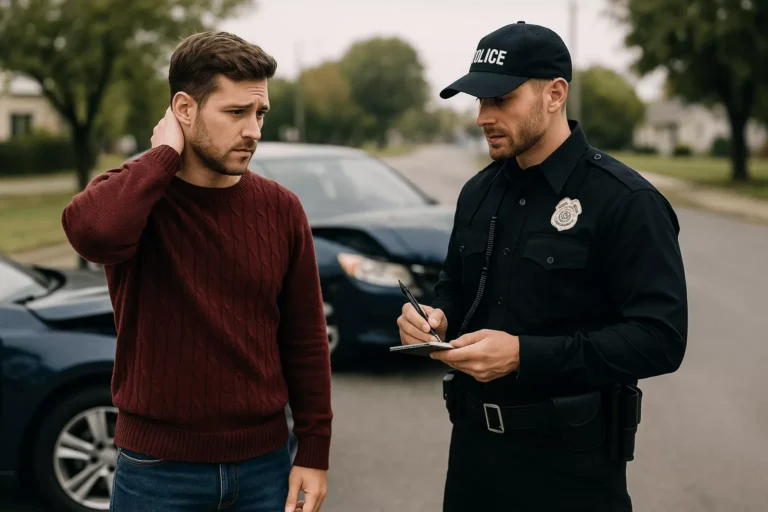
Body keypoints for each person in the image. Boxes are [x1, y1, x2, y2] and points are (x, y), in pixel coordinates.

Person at [396, 21, 687, 512]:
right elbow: (455, 289)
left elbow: (660, 339)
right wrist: (434, 318)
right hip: (473, 463)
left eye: (500, 100)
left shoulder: (625, 201)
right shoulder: (479, 192)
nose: (482, 117)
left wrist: (523, 355)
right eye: (479, 102)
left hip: (571, 472)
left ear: (554, 94)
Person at [61, 31, 331, 512]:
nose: (253, 130)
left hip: (265, 467)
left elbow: (305, 339)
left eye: (259, 113)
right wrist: (163, 157)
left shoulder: (282, 209)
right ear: (184, 110)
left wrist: (313, 451)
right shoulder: (139, 197)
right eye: (235, 113)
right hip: (157, 472)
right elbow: (93, 234)